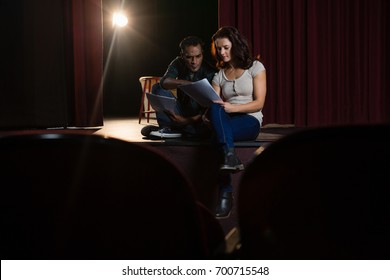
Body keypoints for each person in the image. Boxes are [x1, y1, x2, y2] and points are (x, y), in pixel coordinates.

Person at [208, 26, 267, 218]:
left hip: (249, 120)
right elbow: (215, 103)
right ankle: (230, 156)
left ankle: (225, 194)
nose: (222, 52)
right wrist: (207, 112)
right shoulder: (219, 75)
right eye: (219, 49)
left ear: (235, 45)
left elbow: (259, 103)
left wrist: (233, 108)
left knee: (219, 135)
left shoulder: (255, 67)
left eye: (225, 47)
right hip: (226, 119)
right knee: (215, 108)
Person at [141, 36, 216, 139]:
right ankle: (167, 129)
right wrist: (186, 83)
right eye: (189, 57)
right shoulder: (178, 62)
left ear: (202, 53)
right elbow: (164, 82)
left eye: (198, 56)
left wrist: (186, 121)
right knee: (157, 88)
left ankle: (176, 130)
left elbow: (210, 109)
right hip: (180, 112)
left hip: (198, 121)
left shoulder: (210, 71)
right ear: (182, 56)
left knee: (198, 130)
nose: (194, 62)